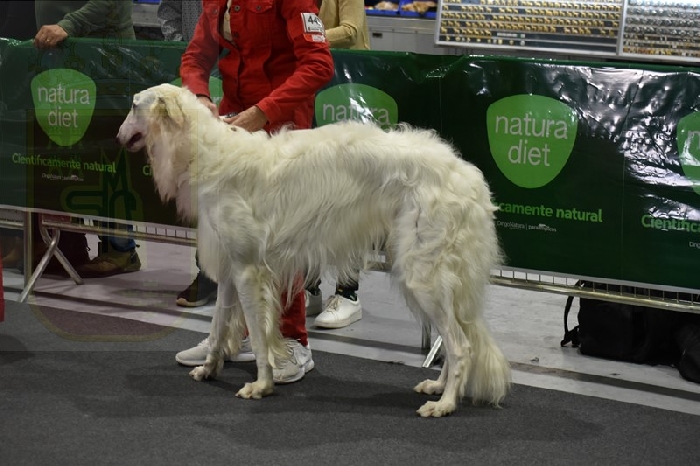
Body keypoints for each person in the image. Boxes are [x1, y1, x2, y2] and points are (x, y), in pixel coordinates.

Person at [173, 0, 334, 384]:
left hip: (282, 125)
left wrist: (264, 111)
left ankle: (293, 342)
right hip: (233, 122)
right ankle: (229, 336)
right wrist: (199, 97)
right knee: (229, 239)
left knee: (280, 240)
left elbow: (319, 64)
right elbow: (196, 56)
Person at [33, 1, 141, 278]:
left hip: (105, 60)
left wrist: (67, 25)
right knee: (73, 155)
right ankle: (69, 245)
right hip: (65, 57)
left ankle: (121, 248)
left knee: (109, 155)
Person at [307, 0, 370, 329]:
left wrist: (303, 37)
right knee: (309, 197)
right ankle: (309, 287)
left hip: (347, 92)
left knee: (350, 199)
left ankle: (347, 292)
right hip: (308, 89)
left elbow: (351, 31)